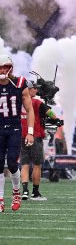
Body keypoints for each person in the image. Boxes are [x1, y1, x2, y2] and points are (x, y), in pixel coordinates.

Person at [0, 55, 34, 213]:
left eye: (5, 67)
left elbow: (29, 110)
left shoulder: (20, 83)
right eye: (0, 68)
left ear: (11, 68)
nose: (3, 70)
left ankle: (16, 193)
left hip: (14, 128)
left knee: (12, 163)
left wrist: (30, 132)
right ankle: (0, 199)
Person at [20, 80, 63, 201]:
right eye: (34, 88)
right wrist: (57, 119)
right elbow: (51, 114)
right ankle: (35, 192)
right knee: (37, 165)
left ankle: (24, 191)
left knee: (24, 164)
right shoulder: (37, 103)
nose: (36, 90)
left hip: (22, 135)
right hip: (35, 135)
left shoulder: (19, 102)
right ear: (29, 89)